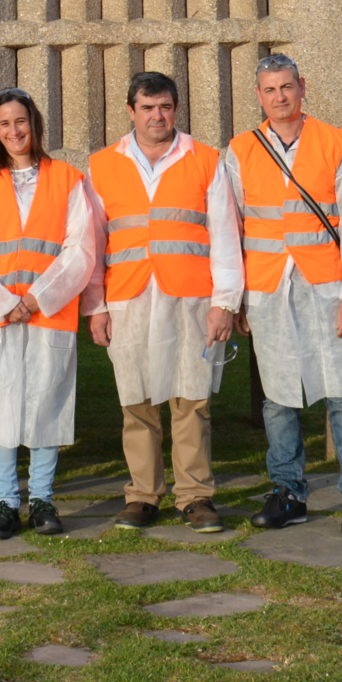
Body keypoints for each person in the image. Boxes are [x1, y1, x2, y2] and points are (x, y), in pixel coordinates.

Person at [219, 52, 342, 535]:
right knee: (278, 398)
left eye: (286, 87)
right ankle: (288, 491)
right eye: (269, 90)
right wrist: (238, 297)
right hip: (267, 287)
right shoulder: (241, 149)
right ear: (259, 95)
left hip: (326, 286)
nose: (279, 97)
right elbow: (232, 227)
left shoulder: (335, 143)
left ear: (302, 87)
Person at [85, 70, 238, 533]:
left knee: (191, 398)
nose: (158, 116)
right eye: (148, 107)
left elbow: (225, 236)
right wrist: (96, 305)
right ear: (131, 111)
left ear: (176, 109)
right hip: (128, 296)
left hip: (190, 297)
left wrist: (224, 303)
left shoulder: (206, 160)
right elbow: (92, 243)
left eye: (166, 107)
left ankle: (194, 496)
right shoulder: (102, 165)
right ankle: (142, 495)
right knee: (137, 400)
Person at [0, 87, 98, 540]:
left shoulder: (68, 179)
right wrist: (1, 302)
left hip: (45, 313)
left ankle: (41, 499)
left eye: (21, 121)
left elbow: (82, 249)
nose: (14, 130)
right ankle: (3, 503)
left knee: (45, 403)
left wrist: (36, 298)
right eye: (4, 124)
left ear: (34, 124)